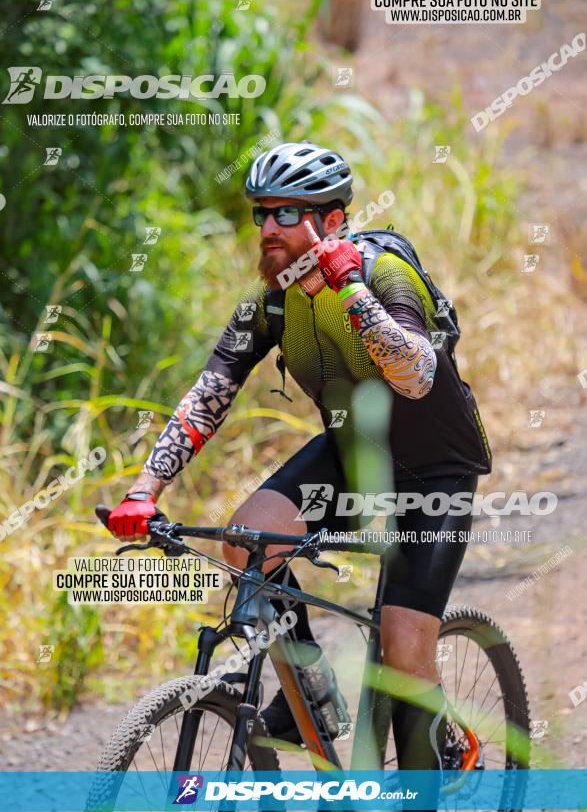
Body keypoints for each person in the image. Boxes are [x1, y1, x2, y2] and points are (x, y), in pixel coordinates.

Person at [106, 141, 492, 776]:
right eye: (261, 213)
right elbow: (210, 393)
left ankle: (434, 767)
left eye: (287, 214)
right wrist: (145, 489)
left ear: (333, 219)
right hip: (351, 456)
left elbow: (418, 374)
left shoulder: (384, 269)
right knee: (246, 539)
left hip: (434, 471)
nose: (268, 229)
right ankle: (306, 691)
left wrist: (348, 289)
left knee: (402, 648)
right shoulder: (274, 300)